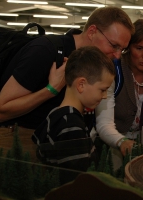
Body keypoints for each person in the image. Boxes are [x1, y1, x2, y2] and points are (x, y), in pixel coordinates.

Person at [0, 7, 134, 168]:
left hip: (50, 146)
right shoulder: (45, 51)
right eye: (114, 45)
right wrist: (52, 89)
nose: (117, 56)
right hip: (13, 139)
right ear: (92, 31)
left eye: (122, 49)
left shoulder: (94, 64)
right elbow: (0, 111)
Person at [32, 46, 115, 184]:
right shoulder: (71, 125)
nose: (105, 96)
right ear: (81, 84)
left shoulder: (57, 114)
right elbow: (76, 183)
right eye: (103, 90)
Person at [95, 19, 143, 168]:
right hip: (112, 146)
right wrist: (122, 141)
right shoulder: (113, 70)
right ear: (128, 47)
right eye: (139, 48)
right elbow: (103, 124)